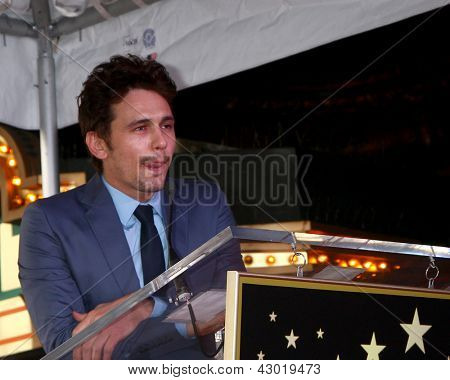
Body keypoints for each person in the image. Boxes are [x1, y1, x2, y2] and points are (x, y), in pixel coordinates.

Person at [18, 55, 245, 360]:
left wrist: (144, 308)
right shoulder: (49, 222)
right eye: (140, 128)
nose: (161, 142)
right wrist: (188, 322)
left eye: (167, 125)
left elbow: (236, 303)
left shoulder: (205, 202)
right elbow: (67, 349)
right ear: (99, 144)